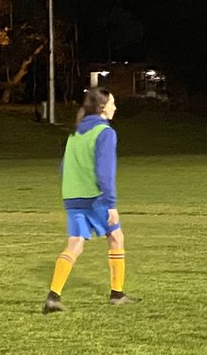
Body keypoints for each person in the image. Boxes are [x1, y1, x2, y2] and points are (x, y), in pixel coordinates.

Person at [42, 87, 139, 313]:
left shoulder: (75, 133)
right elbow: (105, 171)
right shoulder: (105, 132)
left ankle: (53, 296)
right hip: (94, 197)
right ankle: (117, 293)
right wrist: (111, 203)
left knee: (75, 244)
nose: (115, 107)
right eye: (113, 103)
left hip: (72, 196)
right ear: (103, 107)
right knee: (116, 236)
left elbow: (64, 166)